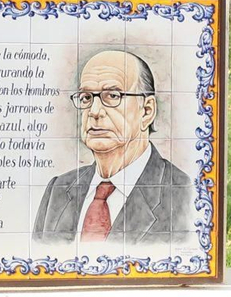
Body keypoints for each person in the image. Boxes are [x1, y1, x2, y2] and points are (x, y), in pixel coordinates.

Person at [31, 49, 194, 250]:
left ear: (147, 111)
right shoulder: (59, 189)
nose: (94, 111)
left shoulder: (184, 194)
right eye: (86, 98)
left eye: (113, 96)